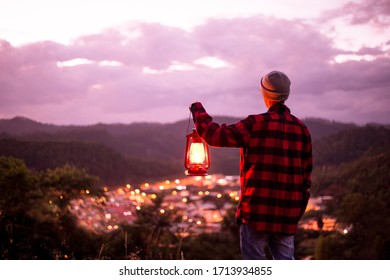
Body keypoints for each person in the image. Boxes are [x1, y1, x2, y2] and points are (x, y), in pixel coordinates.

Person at [189, 70, 313, 260]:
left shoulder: (255, 124)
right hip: (287, 215)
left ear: (264, 93)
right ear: (286, 95)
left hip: (256, 213)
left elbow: (216, 136)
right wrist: (295, 213)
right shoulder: (302, 129)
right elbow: (306, 179)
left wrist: (198, 110)